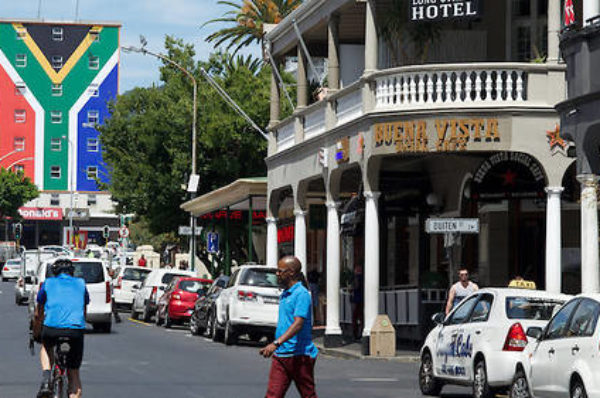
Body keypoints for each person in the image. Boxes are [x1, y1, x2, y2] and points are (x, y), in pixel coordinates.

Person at [260, 256, 318, 398]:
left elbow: (298, 323)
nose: (277, 274)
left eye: (280, 271)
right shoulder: (285, 293)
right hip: (281, 355)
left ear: (291, 272)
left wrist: (276, 343)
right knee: (273, 395)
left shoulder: (302, 294)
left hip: (300, 355)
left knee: (308, 394)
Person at [36, 258, 89, 398]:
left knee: (46, 347)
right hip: (75, 330)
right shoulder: (81, 283)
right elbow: (84, 311)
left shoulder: (48, 283)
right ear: (72, 272)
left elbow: (38, 312)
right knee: (74, 373)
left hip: (51, 328)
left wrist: (36, 330)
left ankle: (47, 378)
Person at [351, 265, 364, 340]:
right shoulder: (363, 277)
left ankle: (356, 334)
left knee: (355, 317)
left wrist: (351, 288)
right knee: (361, 317)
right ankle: (360, 332)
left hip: (356, 299)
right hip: (361, 299)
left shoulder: (356, 277)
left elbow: (356, 286)